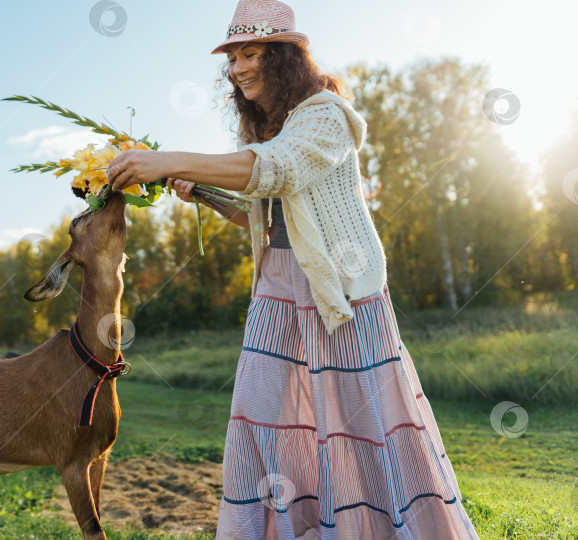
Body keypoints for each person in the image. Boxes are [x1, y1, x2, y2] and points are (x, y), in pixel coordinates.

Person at [108, 1, 480, 538]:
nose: (238, 69)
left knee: (362, 422)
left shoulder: (326, 116)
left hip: (342, 293)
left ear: (283, 57)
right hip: (276, 289)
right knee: (262, 418)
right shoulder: (267, 129)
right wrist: (204, 194)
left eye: (250, 53)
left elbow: (276, 171)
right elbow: (264, 216)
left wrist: (167, 158)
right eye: (232, 58)